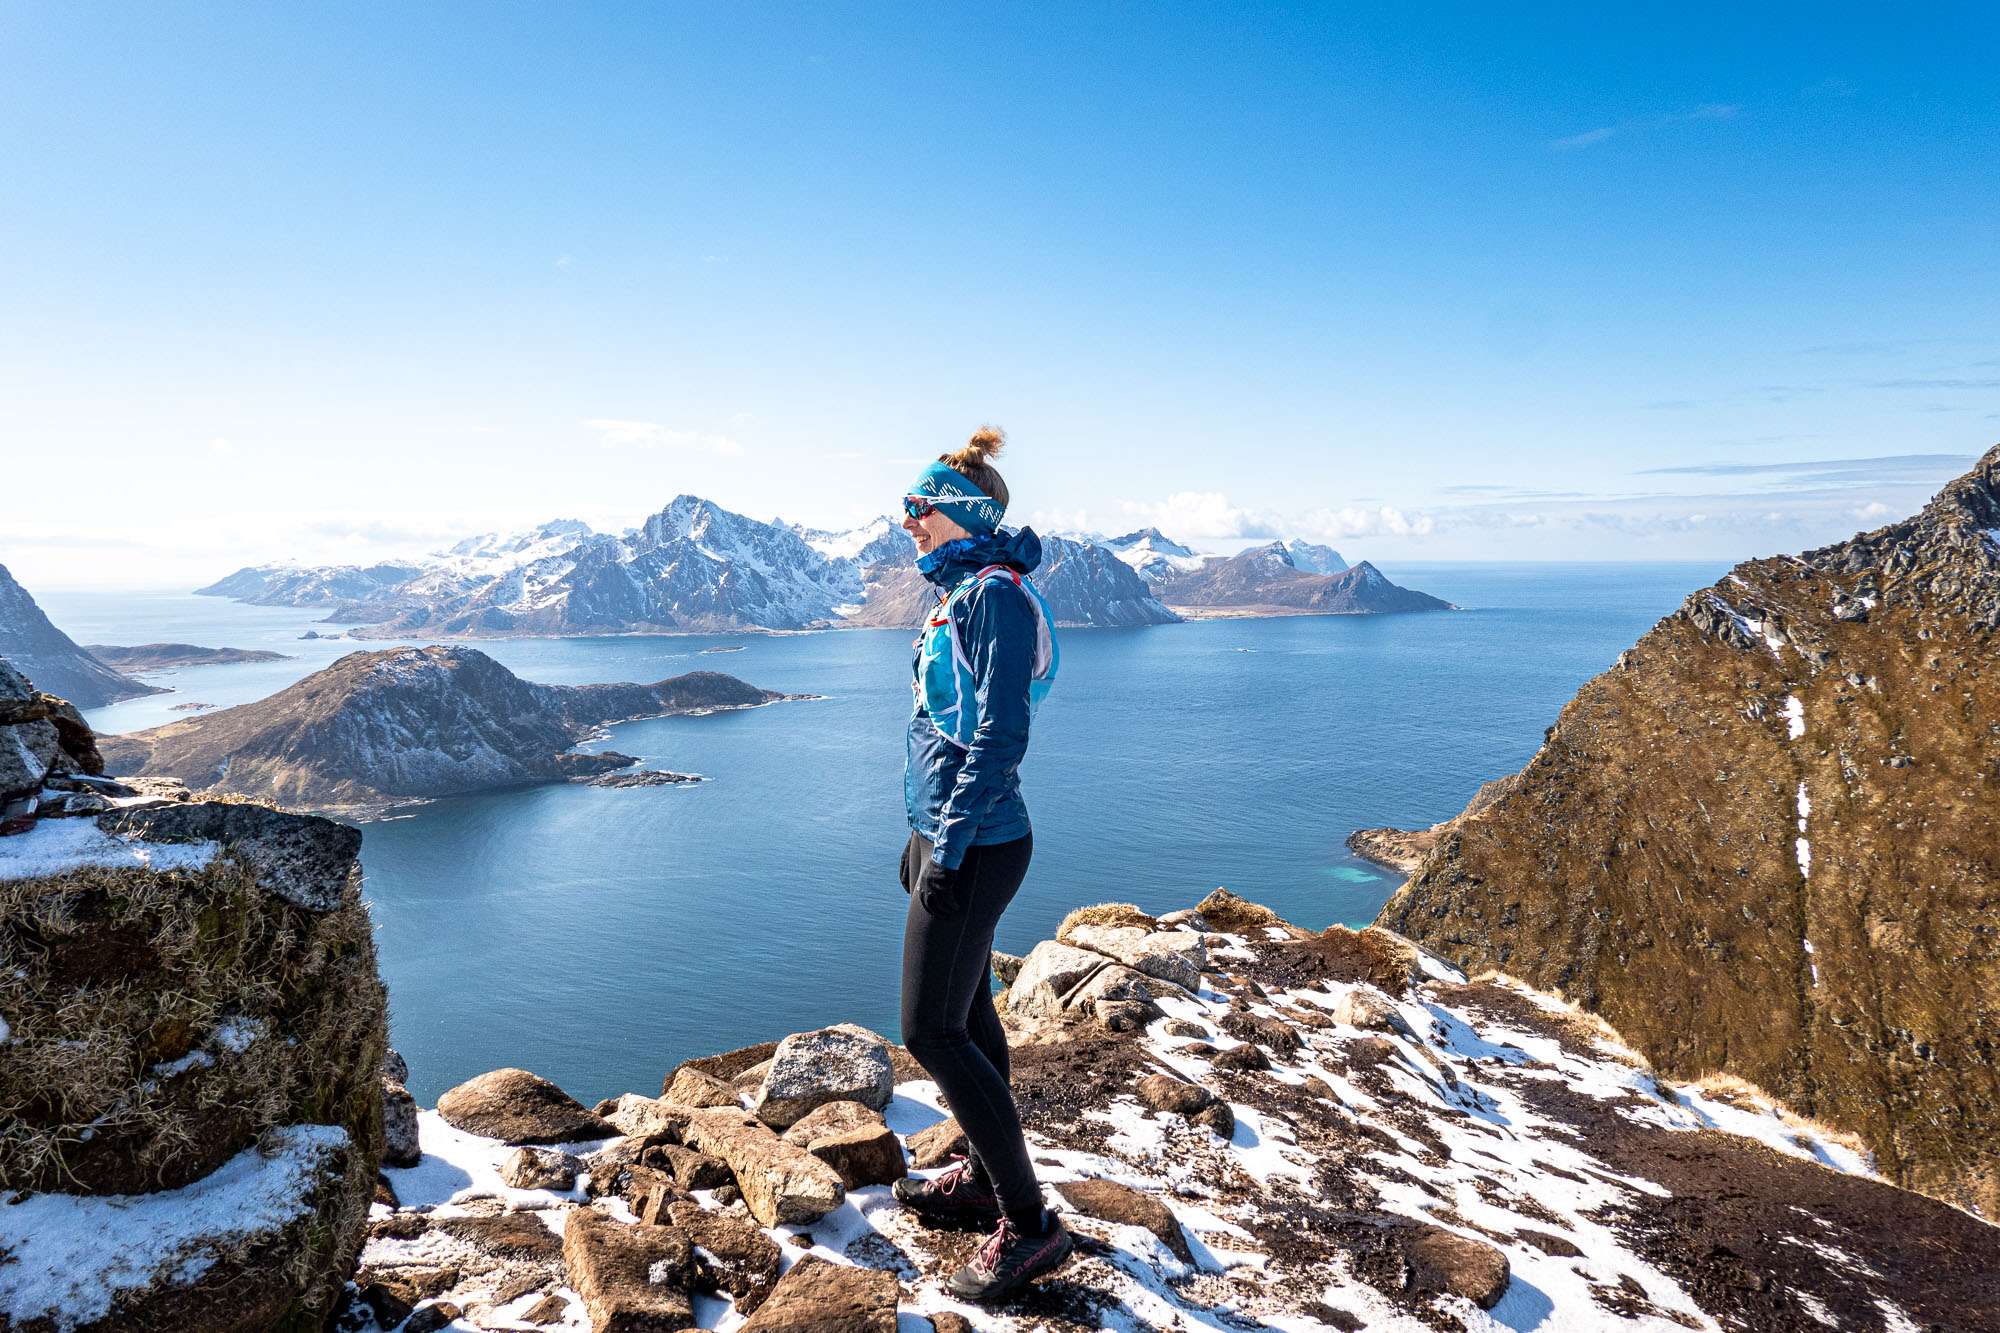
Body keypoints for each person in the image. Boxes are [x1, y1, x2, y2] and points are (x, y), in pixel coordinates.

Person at [889, 426, 1070, 1301]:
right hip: (954, 834)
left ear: (955, 515)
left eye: (916, 508)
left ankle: (1031, 1226)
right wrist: (919, 837)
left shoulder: (990, 597)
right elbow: (937, 737)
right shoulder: (958, 591)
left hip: (985, 841)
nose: (907, 523)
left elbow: (998, 738)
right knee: (970, 1014)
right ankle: (985, 1179)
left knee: (931, 1030)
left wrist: (950, 848)